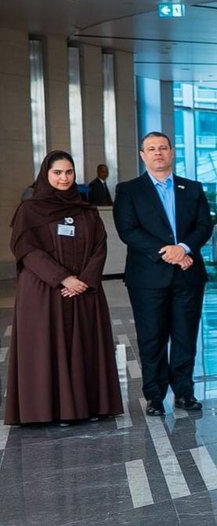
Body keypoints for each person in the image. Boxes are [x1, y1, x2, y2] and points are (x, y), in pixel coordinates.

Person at [5, 151, 123, 425]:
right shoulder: (29, 210)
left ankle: (88, 407)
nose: (64, 178)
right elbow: (26, 250)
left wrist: (85, 280)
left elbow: (99, 247)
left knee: (85, 347)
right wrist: (62, 278)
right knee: (48, 348)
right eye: (57, 172)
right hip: (44, 291)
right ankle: (50, 411)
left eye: (69, 172)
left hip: (84, 290)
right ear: (45, 174)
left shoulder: (86, 210)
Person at [113, 131, 212, 415]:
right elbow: (128, 230)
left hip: (188, 275)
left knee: (185, 336)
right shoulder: (129, 190)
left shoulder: (191, 188)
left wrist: (183, 248)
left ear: (172, 152)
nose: (158, 153)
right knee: (151, 338)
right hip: (147, 277)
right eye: (151, 149)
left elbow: (204, 226)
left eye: (163, 148)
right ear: (143, 155)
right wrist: (167, 252)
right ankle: (154, 397)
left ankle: (184, 392)